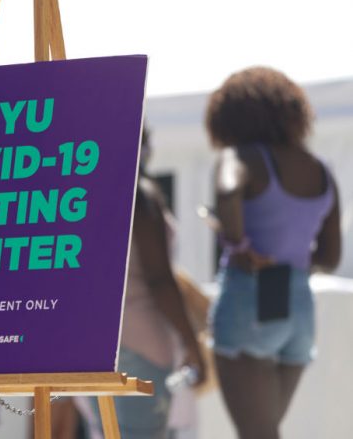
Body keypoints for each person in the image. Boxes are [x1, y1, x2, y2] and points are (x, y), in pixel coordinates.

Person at [206, 67, 340, 439]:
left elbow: (229, 189)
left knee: (257, 433)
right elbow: (329, 258)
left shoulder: (241, 156)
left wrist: (239, 245)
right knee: (266, 431)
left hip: (249, 296)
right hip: (297, 304)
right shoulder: (320, 170)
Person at [88, 126, 206, 439]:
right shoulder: (140, 194)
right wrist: (192, 344)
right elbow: (160, 281)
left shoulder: (88, 192)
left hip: (99, 344)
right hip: (142, 344)